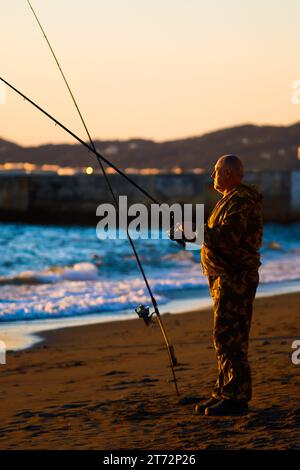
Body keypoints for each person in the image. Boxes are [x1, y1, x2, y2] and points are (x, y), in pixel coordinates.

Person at [194, 154, 263, 416]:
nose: (212, 176)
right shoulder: (230, 200)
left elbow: (228, 238)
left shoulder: (241, 201)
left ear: (228, 173)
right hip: (225, 277)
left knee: (230, 337)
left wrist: (195, 231)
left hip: (236, 279)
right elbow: (217, 240)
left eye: (216, 170)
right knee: (223, 336)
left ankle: (236, 398)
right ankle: (224, 390)